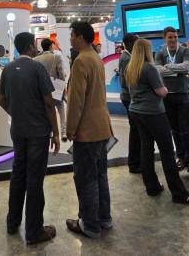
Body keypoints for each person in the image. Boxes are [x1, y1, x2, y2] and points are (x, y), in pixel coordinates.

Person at [0, 32, 60, 245]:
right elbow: (49, 104)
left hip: (18, 130)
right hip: (38, 133)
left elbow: (1, 101)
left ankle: (12, 222)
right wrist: (56, 133)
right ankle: (34, 231)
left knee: (18, 175)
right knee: (34, 180)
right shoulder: (37, 69)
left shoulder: (7, 69)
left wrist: (17, 114)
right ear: (29, 46)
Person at [127, 38, 189, 203]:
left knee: (146, 150)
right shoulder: (149, 68)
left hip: (136, 112)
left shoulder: (130, 68)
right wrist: (166, 88)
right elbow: (161, 91)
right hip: (153, 113)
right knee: (167, 153)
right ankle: (179, 193)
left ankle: (152, 186)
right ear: (146, 51)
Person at [65, 21, 113, 239]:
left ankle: (90, 225)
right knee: (100, 175)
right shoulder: (96, 58)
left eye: (72, 35)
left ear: (80, 37)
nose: (70, 39)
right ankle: (104, 219)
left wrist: (70, 129)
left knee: (86, 178)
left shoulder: (81, 61)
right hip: (103, 127)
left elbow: (76, 101)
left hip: (87, 130)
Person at [155, 27, 189, 177]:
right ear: (164, 38)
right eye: (170, 37)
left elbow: (187, 67)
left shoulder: (185, 51)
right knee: (175, 130)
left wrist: (170, 67)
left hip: (183, 95)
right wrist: (176, 70)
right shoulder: (160, 53)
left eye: (174, 37)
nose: (173, 40)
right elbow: (158, 69)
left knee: (188, 130)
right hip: (167, 96)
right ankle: (181, 157)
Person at [34, 38, 68, 142]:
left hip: (42, 91)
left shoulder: (36, 59)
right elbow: (61, 74)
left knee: (46, 110)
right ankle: (63, 132)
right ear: (50, 46)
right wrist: (64, 89)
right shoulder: (56, 57)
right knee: (61, 107)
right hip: (55, 88)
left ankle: (50, 132)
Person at [118, 34, 141, 174]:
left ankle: (136, 162)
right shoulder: (126, 58)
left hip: (130, 97)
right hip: (129, 98)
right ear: (131, 44)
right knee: (136, 131)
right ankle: (134, 164)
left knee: (136, 131)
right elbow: (124, 81)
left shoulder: (127, 57)